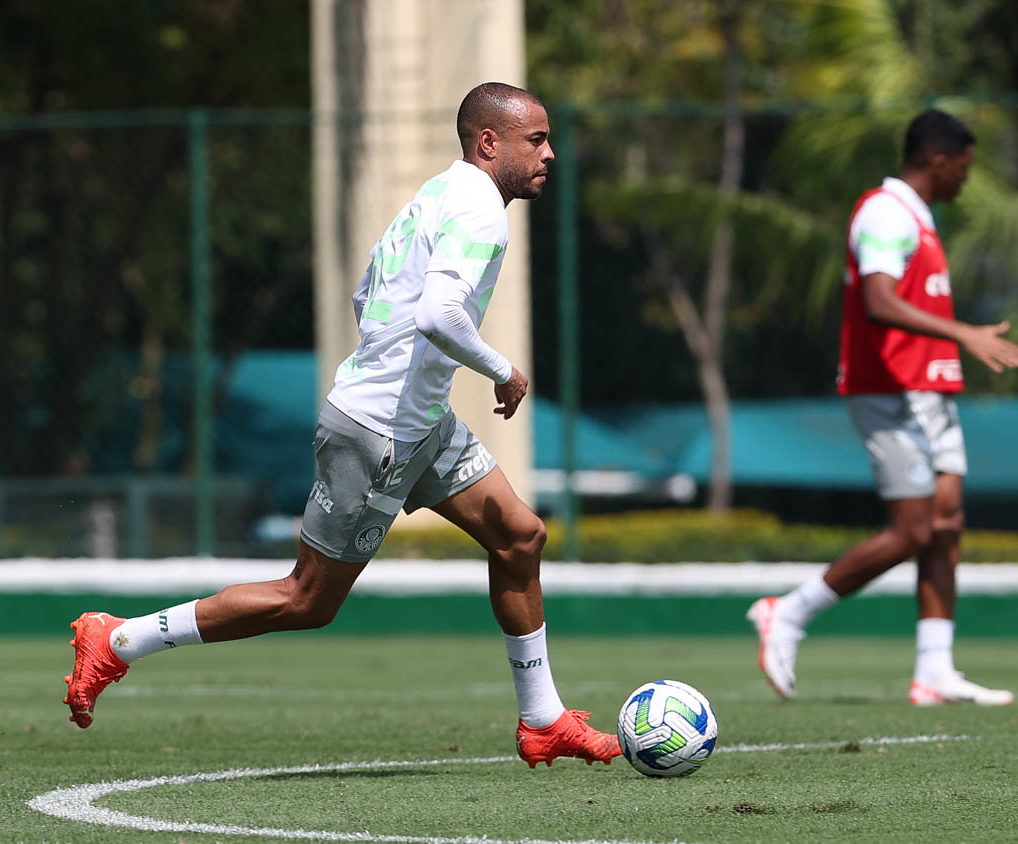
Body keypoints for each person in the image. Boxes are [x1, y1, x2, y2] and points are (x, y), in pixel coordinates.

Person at [64, 82, 622, 767]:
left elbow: (370, 291)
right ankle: (119, 639)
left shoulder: (440, 193)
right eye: (535, 140)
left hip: (422, 425)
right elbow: (439, 315)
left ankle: (543, 719)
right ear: (488, 142)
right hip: (379, 434)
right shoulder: (480, 211)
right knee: (308, 600)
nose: (550, 153)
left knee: (519, 537)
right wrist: (503, 370)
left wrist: (398, 371)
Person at [747, 109, 1018, 706]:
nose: (965, 182)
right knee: (912, 530)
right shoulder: (884, 212)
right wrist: (964, 333)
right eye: (965, 169)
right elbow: (878, 301)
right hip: (891, 392)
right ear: (939, 161)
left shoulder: (920, 218)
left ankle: (934, 671)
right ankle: (788, 613)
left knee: (946, 528)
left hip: (929, 392)